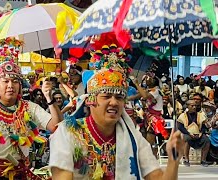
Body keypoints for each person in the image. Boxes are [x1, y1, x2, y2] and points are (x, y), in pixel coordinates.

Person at [49, 45, 184, 180]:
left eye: (119, 97)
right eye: (106, 96)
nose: (114, 102)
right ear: (90, 100)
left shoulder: (133, 138)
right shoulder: (68, 132)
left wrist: (173, 161)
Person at [0, 61, 63, 179]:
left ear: (20, 85)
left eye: (15, 82)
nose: (10, 85)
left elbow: (56, 126)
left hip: (20, 172)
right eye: (5, 81)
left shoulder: (29, 107)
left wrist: (49, 98)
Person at [178, 100, 211, 167]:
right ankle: (186, 160)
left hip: (198, 134)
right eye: (192, 106)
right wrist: (189, 133)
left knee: (207, 140)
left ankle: (203, 160)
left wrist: (201, 133)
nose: (194, 107)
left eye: (195, 106)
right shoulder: (182, 116)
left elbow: (204, 127)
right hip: (188, 134)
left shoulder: (200, 115)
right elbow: (180, 127)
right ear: (188, 106)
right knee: (187, 139)